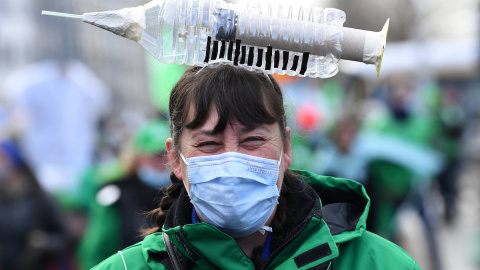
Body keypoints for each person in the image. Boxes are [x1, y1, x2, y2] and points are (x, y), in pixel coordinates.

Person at [92, 65, 421, 269]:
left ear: (287, 148)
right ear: (176, 158)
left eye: (252, 140)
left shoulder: (375, 264)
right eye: (208, 144)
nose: (233, 160)